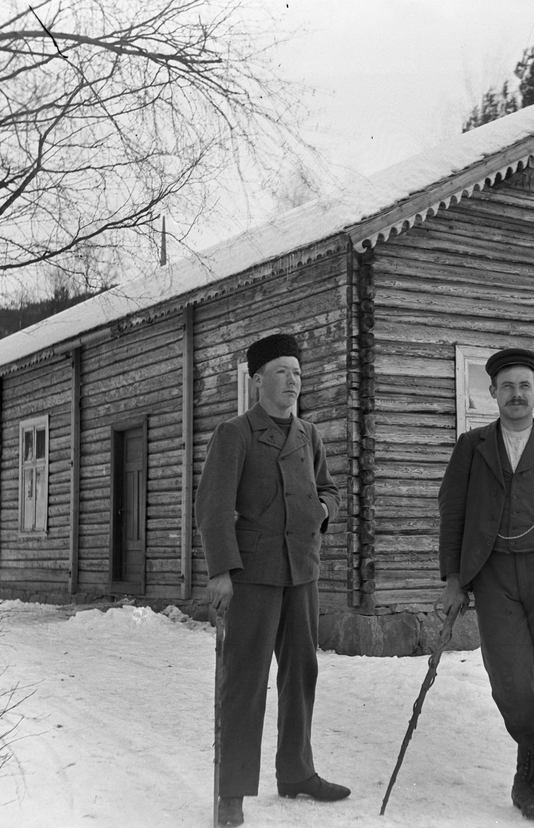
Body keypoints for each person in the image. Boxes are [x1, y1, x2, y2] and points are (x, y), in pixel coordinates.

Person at [437, 347, 534, 825]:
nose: (516, 394)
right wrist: (453, 578)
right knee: (512, 686)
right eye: (507, 386)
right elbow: (453, 515)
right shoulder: (472, 447)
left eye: (525, 385)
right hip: (493, 577)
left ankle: (525, 785)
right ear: (491, 393)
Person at [195, 333, 349, 828]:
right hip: (253, 577)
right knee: (246, 681)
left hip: (302, 571)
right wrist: (221, 570)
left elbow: (329, 488)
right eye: (282, 371)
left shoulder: (309, 435)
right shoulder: (234, 433)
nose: (292, 381)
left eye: (297, 373)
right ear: (257, 379)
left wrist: (323, 508)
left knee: (301, 674)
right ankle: (232, 793)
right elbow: (214, 507)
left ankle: (297, 772)